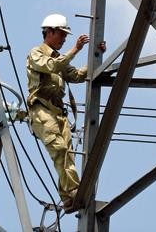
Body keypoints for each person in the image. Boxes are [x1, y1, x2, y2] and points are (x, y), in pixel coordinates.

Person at [26, 13, 105, 213]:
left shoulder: (59, 58)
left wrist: (96, 55)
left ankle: (68, 199)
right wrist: (76, 49)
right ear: (49, 32)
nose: (63, 39)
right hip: (41, 111)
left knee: (66, 155)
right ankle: (74, 190)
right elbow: (52, 66)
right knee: (59, 150)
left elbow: (77, 75)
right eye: (61, 34)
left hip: (58, 112)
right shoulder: (36, 53)